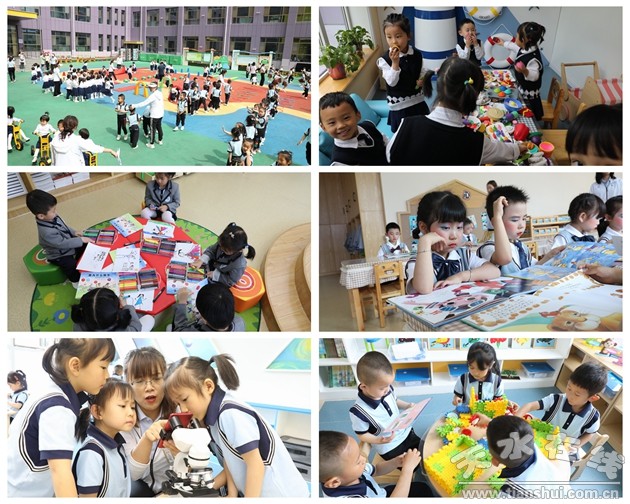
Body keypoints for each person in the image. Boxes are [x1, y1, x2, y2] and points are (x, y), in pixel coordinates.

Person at [164, 354, 310, 497]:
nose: (183, 409)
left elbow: (255, 465)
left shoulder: (230, 413)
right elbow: (230, 459)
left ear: (208, 386)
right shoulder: (212, 418)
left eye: (185, 399)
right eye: (178, 404)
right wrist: (232, 495)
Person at [8, 339, 115, 497]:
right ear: (75, 366)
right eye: (103, 367)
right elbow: (60, 472)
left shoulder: (54, 388)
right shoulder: (58, 408)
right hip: (21, 492)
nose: (107, 375)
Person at [387, 58, 527, 165]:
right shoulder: (477, 143)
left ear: (439, 86)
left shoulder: (406, 125)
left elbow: (389, 154)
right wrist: (519, 147)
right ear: (472, 95)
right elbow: (504, 151)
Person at [408, 191, 500, 295]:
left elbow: (494, 270)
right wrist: (424, 242)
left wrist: (461, 276)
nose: (454, 236)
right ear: (424, 227)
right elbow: (424, 289)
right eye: (445, 228)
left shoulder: (464, 255)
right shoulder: (416, 262)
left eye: (459, 227)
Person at [121, 347, 177, 497]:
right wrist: (147, 438)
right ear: (128, 385)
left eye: (157, 378)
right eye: (140, 381)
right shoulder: (124, 421)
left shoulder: (180, 408)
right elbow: (133, 474)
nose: (149, 388)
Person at [516, 362, 607, 452]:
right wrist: (514, 419)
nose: (569, 395)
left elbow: (590, 433)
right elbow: (530, 406)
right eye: (569, 388)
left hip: (564, 450)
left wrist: (577, 446)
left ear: (592, 398)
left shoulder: (593, 417)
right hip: (540, 440)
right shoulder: (555, 400)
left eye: (577, 394)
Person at [350, 351, 422, 461]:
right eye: (382, 388)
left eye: (389, 385)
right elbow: (362, 435)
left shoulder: (386, 388)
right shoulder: (358, 412)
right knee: (416, 464)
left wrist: (408, 406)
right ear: (364, 387)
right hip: (390, 447)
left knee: (428, 452)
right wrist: (379, 440)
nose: (387, 389)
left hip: (406, 432)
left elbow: (394, 400)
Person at [73, 380, 136, 497]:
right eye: (122, 406)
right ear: (98, 411)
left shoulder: (117, 444)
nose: (131, 413)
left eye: (132, 407)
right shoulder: (92, 453)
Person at [319, 431, 428, 498]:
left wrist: (395, 462)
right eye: (357, 461)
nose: (363, 459)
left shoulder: (349, 473)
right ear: (335, 482)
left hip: (380, 494)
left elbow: (377, 469)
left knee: (422, 488)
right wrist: (407, 470)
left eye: (359, 454)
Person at [377, 13, 433, 133]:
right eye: (389, 37)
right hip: (399, 107)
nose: (393, 41)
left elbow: (422, 70)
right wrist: (395, 63)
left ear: (408, 36)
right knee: (404, 135)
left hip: (418, 101)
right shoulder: (384, 60)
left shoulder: (416, 54)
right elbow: (391, 82)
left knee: (422, 130)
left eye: (398, 36)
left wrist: (422, 79)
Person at [486, 415, 567, 498]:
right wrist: (490, 423)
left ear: (495, 461)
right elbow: (513, 438)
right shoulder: (528, 445)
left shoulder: (509, 494)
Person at [26, 189, 93, 284]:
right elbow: (61, 244)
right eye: (53, 211)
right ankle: (75, 281)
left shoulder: (52, 217)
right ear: (41, 216)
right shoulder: (46, 232)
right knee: (70, 264)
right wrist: (80, 240)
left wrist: (74, 232)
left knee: (86, 245)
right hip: (58, 254)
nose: (56, 212)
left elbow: (64, 227)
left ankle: (82, 261)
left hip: (66, 243)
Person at [319, 92, 389, 166]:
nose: (341, 126)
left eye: (346, 118)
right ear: (324, 127)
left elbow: (385, 140)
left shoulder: (368, 125)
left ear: (358, 115)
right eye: (332, 122)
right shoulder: (339, 162)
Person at [477, 186, 534, 275]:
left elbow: (533, 268)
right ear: (495, 222)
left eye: (524, 219)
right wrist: (498, 217)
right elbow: (505, 258)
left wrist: (550, 255)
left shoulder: (521, 246)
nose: (522, 225)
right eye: (514, 220)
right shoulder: (488, 248)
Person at [497, 21, 546, 119]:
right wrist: (503, 43)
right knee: (519, 107)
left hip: (529, 96)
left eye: (517, 35)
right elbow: (515, 47)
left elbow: (535, 76)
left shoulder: (533, 58)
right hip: (522, 88)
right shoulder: (526, 47)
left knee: (527, 114)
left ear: (524, 40)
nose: (515, 37)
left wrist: (524, 71)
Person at [192, 223, 256, 287]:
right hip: (212, 264)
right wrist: (202, 260)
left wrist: (215, 275)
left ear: (239, 250)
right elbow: (211, 250)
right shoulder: (223, 242)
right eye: (220, 246)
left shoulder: (239, 265)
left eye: (225, 250)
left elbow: (231, 281)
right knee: (200, 256)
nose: (221, 249)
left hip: (220, 277)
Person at [71, 287, 155, 332]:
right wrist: (126, 306)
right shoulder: (124, 331)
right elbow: (136, 328)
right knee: (150, 319)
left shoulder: (78, 326)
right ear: (117, 316)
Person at [452, 342, 508, 406]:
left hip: (488, 411)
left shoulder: (497, 381)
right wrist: (456, 399)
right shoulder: (463, 379)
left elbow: (499, 400)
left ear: (490, 365)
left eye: (481, 369)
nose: (475, 373)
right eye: (472, 367)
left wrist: (507, 403)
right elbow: (457, 396)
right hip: (467, 411)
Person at [173, 282, 245, 332]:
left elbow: (179, 329)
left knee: (169, 327)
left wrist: (182, 302)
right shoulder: (240, 321)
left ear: (204, 319)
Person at [51, 115, 118, 166]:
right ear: (75, 127)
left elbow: (53, 158)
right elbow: (93, 148)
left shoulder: (55, 138)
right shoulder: (76, 140)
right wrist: (110, 150)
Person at [134, 81, 164, 148]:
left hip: (154, 115)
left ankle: (151, 144)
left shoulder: (152, 96)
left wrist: (134, 105)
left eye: (151, 87)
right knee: (159, 127)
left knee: (152, 129)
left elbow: (144, 103)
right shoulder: (160, 93)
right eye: (150, 87)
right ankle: (160, 140)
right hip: (161, 114)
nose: (149, 88)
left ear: (154, 88)